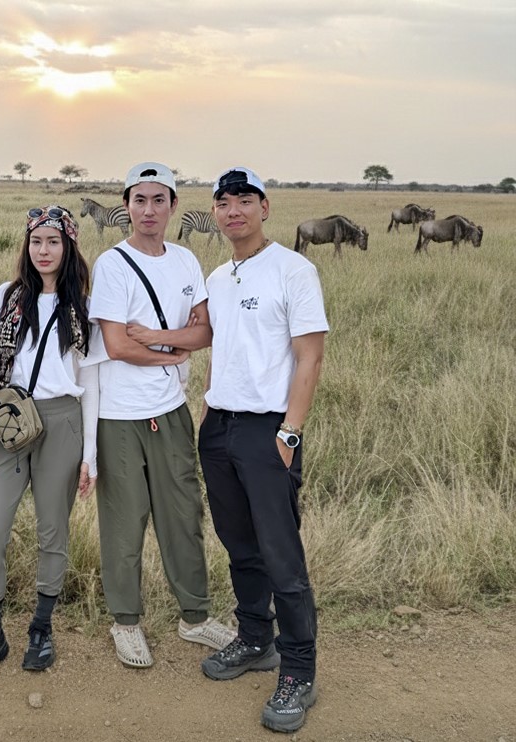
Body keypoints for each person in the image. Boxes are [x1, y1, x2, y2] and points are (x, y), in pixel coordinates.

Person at [88, 162, 235, 669]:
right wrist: (173, 351)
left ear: (174, 206)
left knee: (183, 515)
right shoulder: (112, 264)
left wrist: (153, 337)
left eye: (159, 200)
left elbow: (205, 333)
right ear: (125, 205)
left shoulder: (186, 262)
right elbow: (113, 344)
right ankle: (125, 623)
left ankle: (194, 617)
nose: (148, 210)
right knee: (124, 522)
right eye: (139, 200)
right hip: (121, 415)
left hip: (171, 411)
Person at [197, 167, 328, 733]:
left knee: (281, 554)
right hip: (219, 427)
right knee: (238, 544)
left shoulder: (294, 270)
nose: (233, 211)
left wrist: (290, 432)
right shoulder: (218, 276)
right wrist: (208, 414)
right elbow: (221, 351)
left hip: (267, 430)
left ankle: (298, 669)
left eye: (244, 200)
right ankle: (255, 639)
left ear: (265, 207)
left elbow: (310, 356)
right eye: (224, 203)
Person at [0, 205, 99, 681]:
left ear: (69, 247)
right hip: (9, 418)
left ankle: (41, 628)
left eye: (54, 242)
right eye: (37, 241)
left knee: (52, 531)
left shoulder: (82, 303)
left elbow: (91, 382)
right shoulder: (4, 297)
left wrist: (92, 455)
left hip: (62, 419)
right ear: (27, 245)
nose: (44, 250)